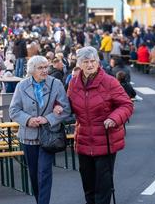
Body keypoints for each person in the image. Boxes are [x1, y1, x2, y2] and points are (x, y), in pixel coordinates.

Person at [66, 46, 134, 204]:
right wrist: (58, 107)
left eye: (93, 61)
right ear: (79, 64)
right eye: (86, 62)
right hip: (83, 140)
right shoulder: (74, 83)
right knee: (88, 185)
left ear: (98, 62)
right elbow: (68, 105)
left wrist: (114, 118)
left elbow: (126, 105)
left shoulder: (110, 82)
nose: (90, 65)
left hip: (106, 139)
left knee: (103, 187)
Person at [9, 55, 71, 204]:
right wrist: (28, 120)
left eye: (46, 67)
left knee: (44, 172)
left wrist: (48, 119)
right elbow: (14, 110)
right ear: (32, 70)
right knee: (34, 175)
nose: (45, 70)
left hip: (49, 136)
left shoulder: (56, 84)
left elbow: (66, 109)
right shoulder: (22, 86)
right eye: (40, 68)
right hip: (28, 137)